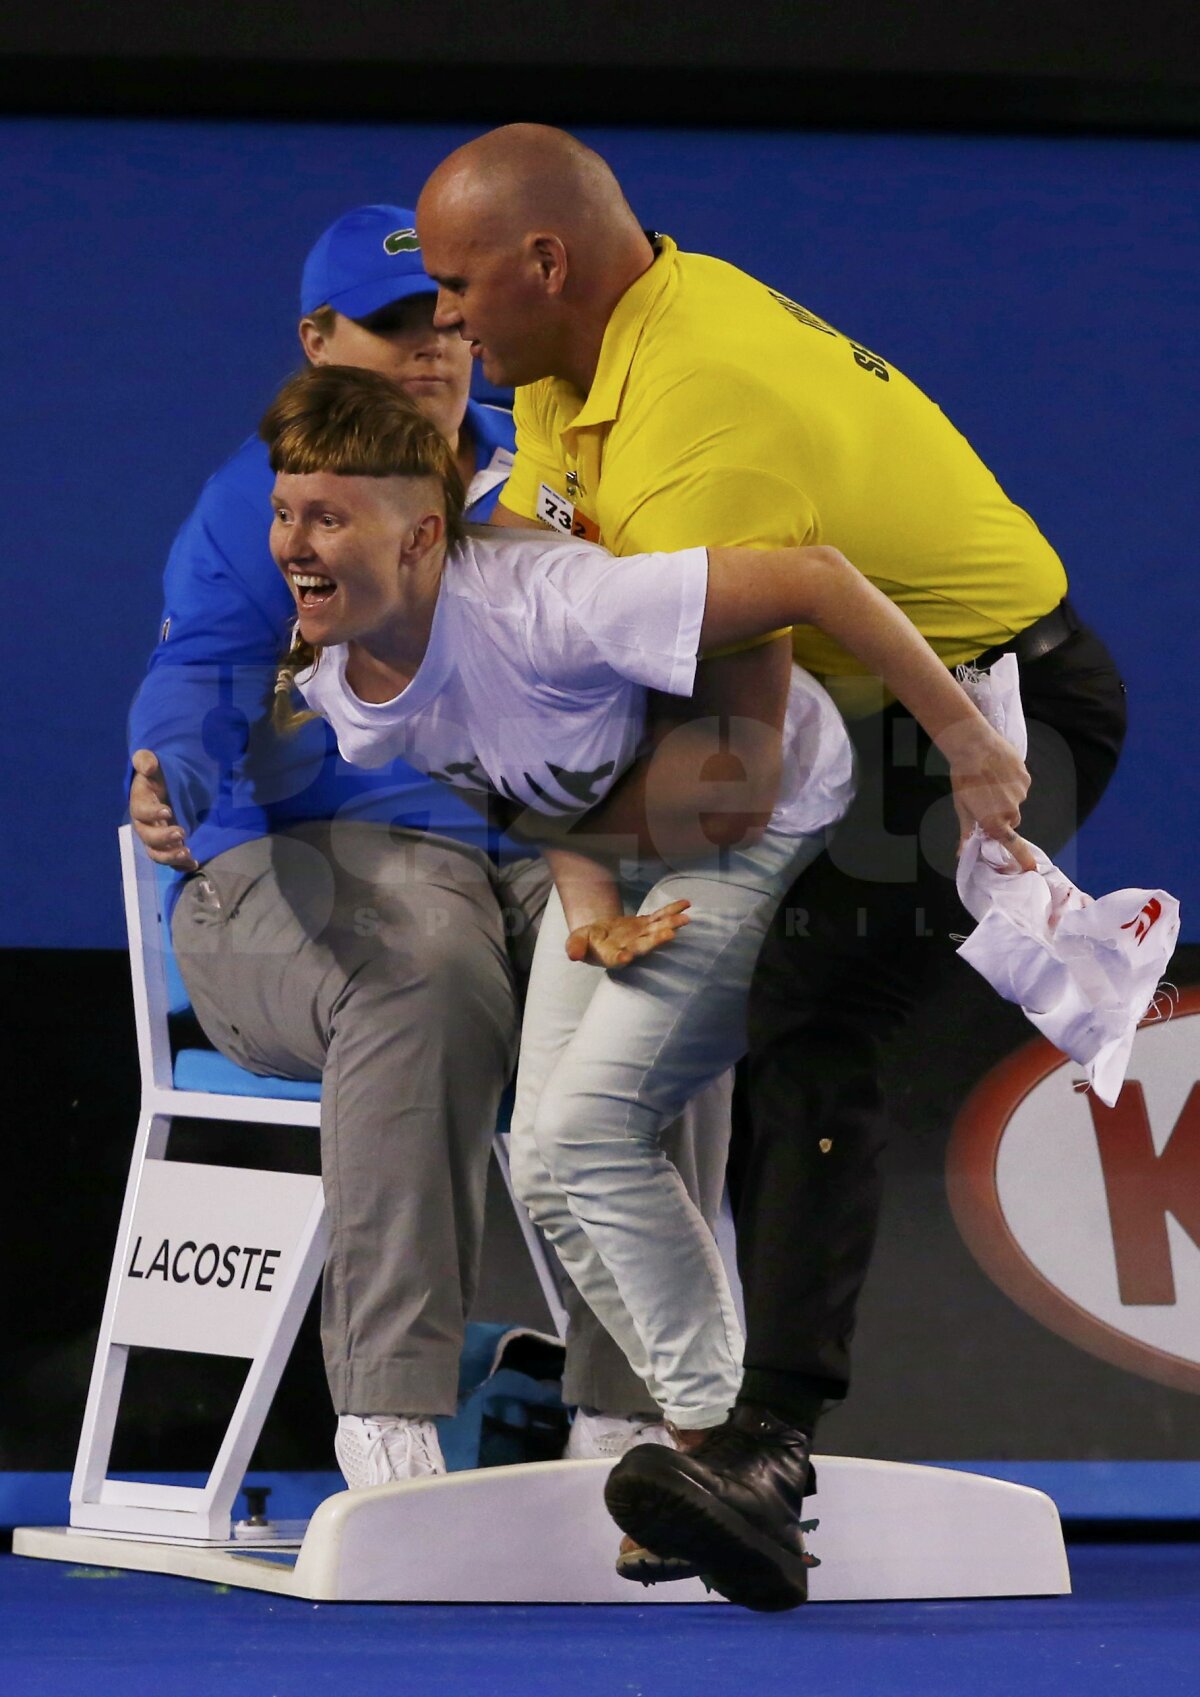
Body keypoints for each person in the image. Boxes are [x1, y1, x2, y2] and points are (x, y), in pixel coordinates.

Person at [414, 125, 1126, 1606]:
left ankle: (765, 1444)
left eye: (460, 283)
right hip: (852, 716)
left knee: (819, 1001)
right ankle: (703, 1416)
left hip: (996, 709)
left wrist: (559, 836)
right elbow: (550, 561)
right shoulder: (571, 360)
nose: (448, 318)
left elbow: (734, 761)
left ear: (546, 261)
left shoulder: (699, 413)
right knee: (638, 1077)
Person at [263, 362, 1031, 1609]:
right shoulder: (355, 690)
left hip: (767, 813)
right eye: (286, 511)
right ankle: (721, 1448)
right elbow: (541, 778)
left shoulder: (557, 599)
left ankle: (730, 1455)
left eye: (329, 516)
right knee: (551, 1158)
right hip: (639, 849)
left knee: (582, 1131)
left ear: (420, 532)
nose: (295, 545)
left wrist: (968, 742)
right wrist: (594, 914)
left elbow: (819, 577)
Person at [125, 203, 688, 1489]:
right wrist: (178, 785)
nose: (431, 348)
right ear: (316, 342)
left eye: (442, 318)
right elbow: (193, 682)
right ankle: (392, 1415)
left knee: (653, 961)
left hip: (525, 866)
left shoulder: (550, 471)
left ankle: (637, 1412)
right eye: (389, 327)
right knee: (423, 959)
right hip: (297, 879)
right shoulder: (262, 505)